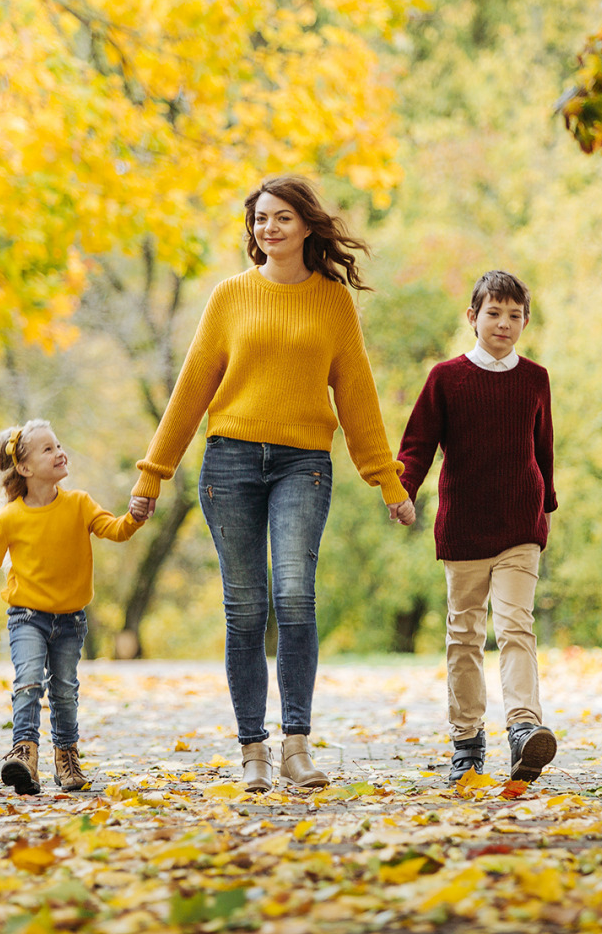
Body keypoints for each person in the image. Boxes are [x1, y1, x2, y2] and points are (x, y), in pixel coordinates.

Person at [128, 174, 415, 792]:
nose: (270, 228)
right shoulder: (230, 296)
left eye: (283, 217)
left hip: (302, 464)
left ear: (307, 226)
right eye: (261, 219)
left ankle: (297, 746)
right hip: (229, 460)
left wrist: (387, 482)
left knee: (294, 597)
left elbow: (358, 395)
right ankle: (253, 750)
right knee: (245, 608)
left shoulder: (333, 302)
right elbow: (192, 388)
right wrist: (154, 473)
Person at [396, 270, 559, 786]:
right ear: (473, 317)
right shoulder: (446, 378)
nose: (504, 324)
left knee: (516, 625)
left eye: (515, 316)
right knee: (464, 634)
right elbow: (418, 442)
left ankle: (523, 729)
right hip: (464, 524)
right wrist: (401, 492)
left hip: (519, 525)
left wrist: (545, 507)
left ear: (525, 322)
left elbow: (543, 450)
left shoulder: (536, 378)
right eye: (494, 313)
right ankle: (467, 742)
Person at [0, 419, 147, 795]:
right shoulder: (11, 516)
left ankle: (66, 756)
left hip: (70, 619)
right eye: (48, 449)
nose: (60, 453)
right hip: (27, 616)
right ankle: (25, 753)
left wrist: (135, 516)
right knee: (28, 681)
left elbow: (115, 529)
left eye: (59, 445)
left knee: (64, 690)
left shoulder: (79, 503)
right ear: (25, 469)